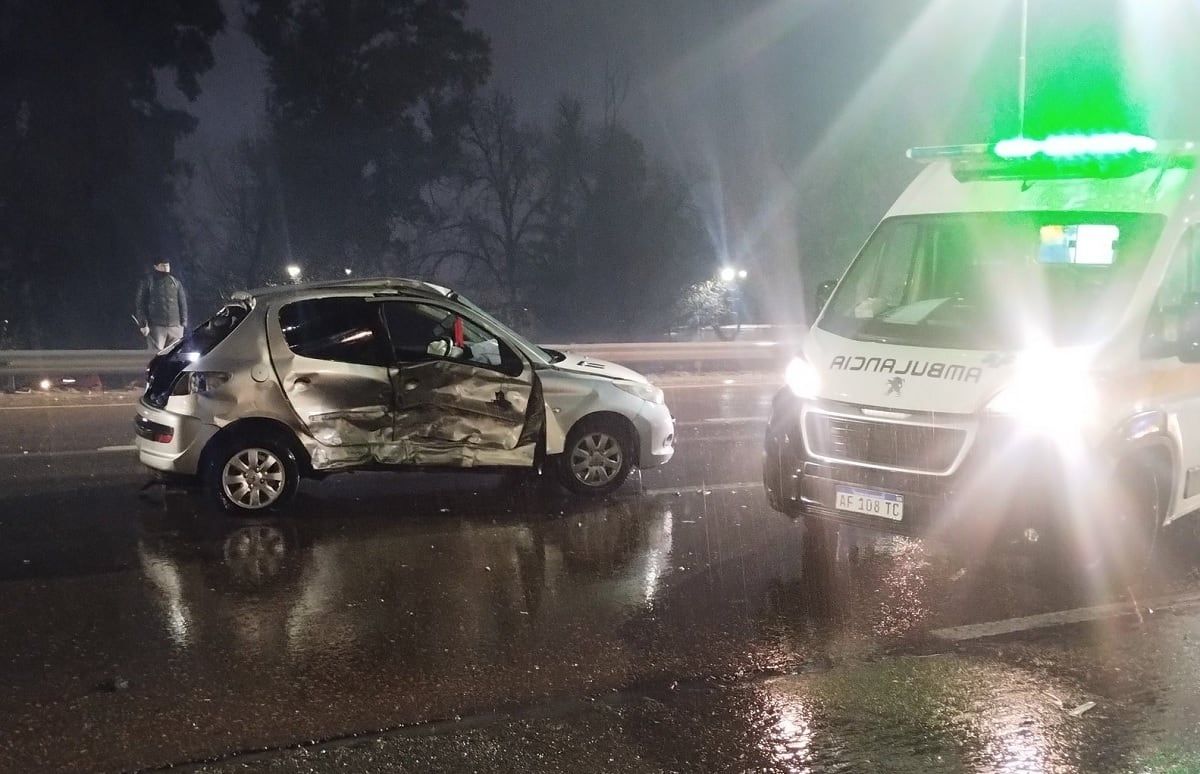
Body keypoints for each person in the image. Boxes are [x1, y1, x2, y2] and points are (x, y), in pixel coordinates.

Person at [135, 259, 188, 351]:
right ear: (156, 267)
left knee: (174, 354)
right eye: (163, 265)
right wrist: (143, 324)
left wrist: (183, 323)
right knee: (156, 354)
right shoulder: (148, 282)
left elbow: (182, 303)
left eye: (167, 265)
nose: (166, 268)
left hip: (175, 326)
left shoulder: (175, 282)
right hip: (156, 326)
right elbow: (140, 305)